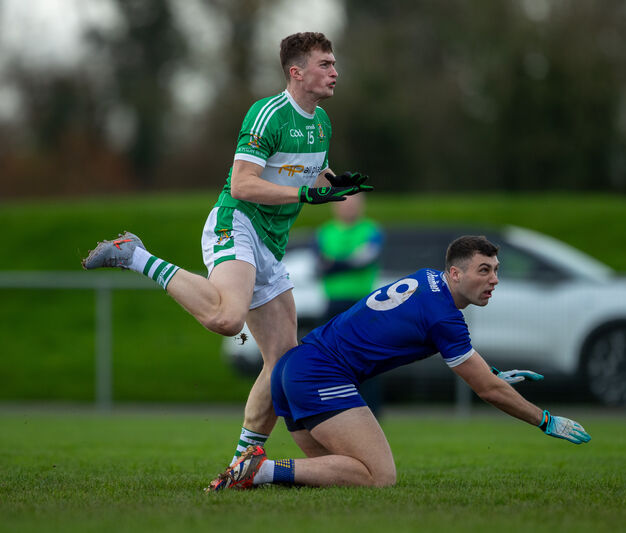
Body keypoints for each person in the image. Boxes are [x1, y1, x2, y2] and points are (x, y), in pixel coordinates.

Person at [81, 32, 372, 469]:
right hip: (235, 222)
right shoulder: (267, 114)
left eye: (333, 64)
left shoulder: (322, 122)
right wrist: (305, 197)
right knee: (226, 318)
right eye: (325, 64)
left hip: (271, 245)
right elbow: (243, 184)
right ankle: (134, 254)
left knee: (283, 363)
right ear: (297, 72)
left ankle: (243, 463)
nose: (335, 72)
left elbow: (308, 172)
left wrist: (333, 182)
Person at [206, 235, 591, 491]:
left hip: (295, 368)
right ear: (455, 273)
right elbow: (487, 391)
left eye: (496, 271)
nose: (493, 280)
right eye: (484, 270)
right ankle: (259, 470)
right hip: (321, 374)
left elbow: (470, 365)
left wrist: (489, 371)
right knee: (380, 477)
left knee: (343, 476)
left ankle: (253, 471)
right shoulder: (445, 316)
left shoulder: (428, 279)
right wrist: (545, 420)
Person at [314, 194, 384, 415]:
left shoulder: (371, 230)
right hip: (333, 304)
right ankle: (331, 411)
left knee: (367, 359)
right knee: (328, 358)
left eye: (354, 203)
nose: (349, 208)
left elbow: (365, 259)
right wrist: (347, 262)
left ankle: (371, 412)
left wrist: (334, 263)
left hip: (363, 304)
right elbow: (319, 265)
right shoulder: (324, 232)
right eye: (344, 203)